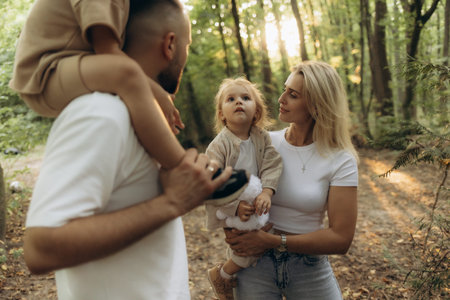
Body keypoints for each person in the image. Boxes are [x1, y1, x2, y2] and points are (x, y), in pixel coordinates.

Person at [22, 1, 234, 299]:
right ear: (170, 44)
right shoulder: (102, 114)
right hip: (45, 73)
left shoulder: (137, 116)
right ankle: (185, 163)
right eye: (188, 44)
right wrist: (173, 202)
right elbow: (39, 249)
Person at [225, 61, 359, 299]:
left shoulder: (342, 160)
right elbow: (230, 188)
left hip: (309, 268)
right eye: (285, 89)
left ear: (317, 105)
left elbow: (341, 238)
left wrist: (273, 241)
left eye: (292, 94)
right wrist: (234, 231)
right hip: (255, 265)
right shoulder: (264, 143)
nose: (280, 98)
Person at [9, 0, 186, 170]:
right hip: (44, 72)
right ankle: (180, 165)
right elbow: (107, 51)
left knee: (127, 85)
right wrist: (157, 94)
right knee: (126, 74)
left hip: (63, 66)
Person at [205, 78, 282, 300]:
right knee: (246, 248)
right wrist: (234, 206)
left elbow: (272, 164)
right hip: (232, 207)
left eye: (245, 98)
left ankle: (234, 277)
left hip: (257, 204)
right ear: (222, 114)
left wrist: (267, 191)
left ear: (256, 111)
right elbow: (212, 182)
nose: (239, 102)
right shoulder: (219, 145)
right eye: (231, 99)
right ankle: (222, 274)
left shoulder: (261, 137)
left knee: (264, 240)